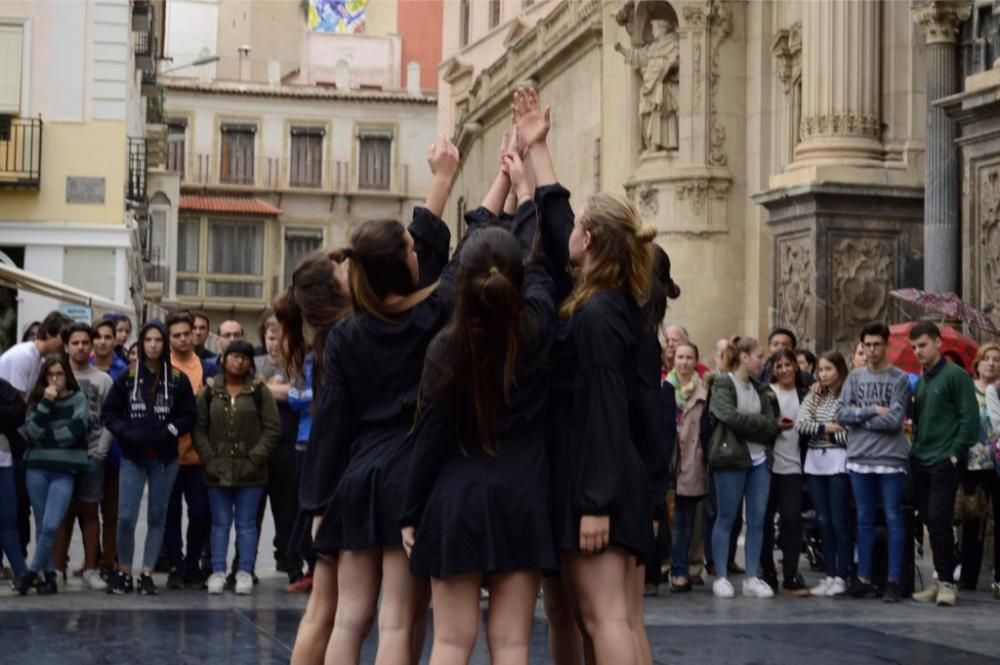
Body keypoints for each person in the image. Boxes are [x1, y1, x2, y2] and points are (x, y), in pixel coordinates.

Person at [309, 136, 459, 665]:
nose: (419, 252)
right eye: (412, 251)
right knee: (397, 623)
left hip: (357, 478)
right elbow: (461, 249)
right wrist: (450, 180)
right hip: (408, 474)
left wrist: (318, 502)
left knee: (348, 620)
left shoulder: (347, 334)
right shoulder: (435, 313)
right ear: (402, 265)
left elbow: (329, 423)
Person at [400, 157, 554, 665]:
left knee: (450, 642)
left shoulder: (446, 347)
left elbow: (429, 435)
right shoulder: (535, 328)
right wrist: (528, 189)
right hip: (524, 497)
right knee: (511, 643)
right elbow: (539, 266)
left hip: (457, 496)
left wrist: (410, 509)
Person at [274, 247, 353, 663]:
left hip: (328, 483)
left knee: (328, 608)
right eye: (342, 268)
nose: (350, 269)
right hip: (338, 483)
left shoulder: (327, 339)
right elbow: (330, 429)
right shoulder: (344, 338)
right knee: (339, 612)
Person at [102, 320, 196, 595]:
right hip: (132, 456)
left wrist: (171, 429)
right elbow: (110, 414)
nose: (153, 345)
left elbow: (189, 415)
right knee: (126, 517)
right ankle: (124, 571)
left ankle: (146, 573)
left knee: (157, 516)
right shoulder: (127, 379)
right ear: (141, 344)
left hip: (166, 458)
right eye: (148, 340)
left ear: (164, 344)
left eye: (158, 340)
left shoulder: (178, 380)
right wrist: (126, 433)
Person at [193, 340, 280, 595]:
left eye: (244, 357)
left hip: (251, 472)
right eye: (234, 356)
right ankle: (217, 570)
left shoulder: (259, 390)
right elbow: (199, 428)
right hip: (216, 470)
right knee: (219, 523)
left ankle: (244, 571)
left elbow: (272, 429)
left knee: (246, 524)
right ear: (223, 359)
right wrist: (209, 458)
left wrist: (255, 458)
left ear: (250, 362)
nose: (239, 361)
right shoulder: (210, 391)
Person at [836, 321, 910, 603]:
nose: (871, 350)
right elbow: (842, 414)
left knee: (893, 518)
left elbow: (894, 421)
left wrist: (860, 417)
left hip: (890, 458)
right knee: (864, 518)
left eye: (877, 344)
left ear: (886, 345)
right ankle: (863, 577)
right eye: (867, 345)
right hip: (859, 457)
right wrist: (871, 410)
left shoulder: (899, 378)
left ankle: (893, 580)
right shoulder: (854, 378)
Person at [907, 321, 978, 607]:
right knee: (930, 520)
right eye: (913, 347)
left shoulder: (956, 376)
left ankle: (948, 583)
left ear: (937, 342)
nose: (917, 352)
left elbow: (969, 417)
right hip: (922, 458)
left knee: (939, 518)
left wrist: (955, 452)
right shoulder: (922, 381)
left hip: (944, 459)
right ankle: (939, 580)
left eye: (922, 345)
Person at [707, 336, 780, 600]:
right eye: (760, 356)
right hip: (731, 458)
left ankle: (751, 576)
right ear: (745, 357)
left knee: (758, 519)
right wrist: (760, 422)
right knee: (726, 517)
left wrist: (758, 423)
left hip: (760, 459)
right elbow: (728, 416)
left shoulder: (761, 389)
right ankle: (722, 576)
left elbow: (773, 425)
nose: (763, 361)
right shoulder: (723, 384)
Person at [0, 311, 73, 562]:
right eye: (63, 340)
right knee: (13, 508)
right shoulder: (24, 357)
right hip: (10, 440)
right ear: (50, 333)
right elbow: (18, 404)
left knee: (19, 507)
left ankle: (18, 560)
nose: (65, 347)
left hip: (16, 440)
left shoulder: (38, 359)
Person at [16, 355, 90, 595]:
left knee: (50, 526)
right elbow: (32, 431)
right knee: (40, 524)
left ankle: (29, 574)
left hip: (64, 470)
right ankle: (48, 577)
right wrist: (47, 402)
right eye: (51, 375)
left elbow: (77, 430)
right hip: (36, 468)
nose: (56, 379)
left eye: (60, 374)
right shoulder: (38, 399)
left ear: (67, 374)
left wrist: (45, 438)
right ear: (44, 377)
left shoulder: (78, 398)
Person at [51, 323, 113, 591]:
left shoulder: (103, 379)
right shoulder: (55, 376)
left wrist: (100, 451)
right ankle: (56, 568)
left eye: (84, 343)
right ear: (66, 346)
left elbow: (111, 419)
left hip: (91, 456)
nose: (80, 347)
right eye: (74, 343)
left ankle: (91, 568)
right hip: (62, 457)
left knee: (90, 511)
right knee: (62, 513)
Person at [164, 311, 218, 590]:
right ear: (168, 338)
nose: (185, 338)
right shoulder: (161, 369)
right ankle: (175, 563)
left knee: (200, 512)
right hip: (168, 454)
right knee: (169, 513)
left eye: (188, 333)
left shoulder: (208, 369)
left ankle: (193, 563)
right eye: (178, 335)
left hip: (198, 456)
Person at [796, 350, 852, 597]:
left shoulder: (849, 395)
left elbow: (849, 433)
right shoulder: (814, 394)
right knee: (823, 520)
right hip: (815, 462)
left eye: (829, 369)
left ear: (840, 369)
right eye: (821, 370)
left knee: (839, 520)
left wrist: (825, 432)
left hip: (839, 461)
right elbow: (802, 424)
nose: (824, 374)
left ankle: (843, 574)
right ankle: (829, 574)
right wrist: (828, 427)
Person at [254, 314, 304, 586]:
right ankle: (245, 564)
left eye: (281, 338)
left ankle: (290, 561)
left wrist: (263, 390)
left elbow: (297, 394)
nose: (275, 344)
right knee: (254, 512)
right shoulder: (255, 363)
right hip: (258, 448)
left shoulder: (297, 363)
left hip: (288, 446)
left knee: (288, 510)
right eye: (271, 338)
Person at [760, 348, 809, 596]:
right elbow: (759, 426)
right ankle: (767, 572)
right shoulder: (767, 394)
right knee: (765, 520)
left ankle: (790, 573)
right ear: (773, 370)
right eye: (778, 366)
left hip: (794, 466)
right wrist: (773, 427)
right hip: (769, 466)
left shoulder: (805, 394)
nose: (784, 370)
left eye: (788, 365)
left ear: (796, 367)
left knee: (791, 519)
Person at [958, 342, 1000, 594]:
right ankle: (968, 575)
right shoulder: (968, 390)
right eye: (988, 358)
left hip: (995, 462)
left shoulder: (999, 391)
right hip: (972, 461)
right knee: (972, 519)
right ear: (978, 362)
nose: (992, 363)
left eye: (996, 359)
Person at [667, 341, 709, 593]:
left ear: (696, 361)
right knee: (667, 520)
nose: (683, 362)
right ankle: (669, 568)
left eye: (688, 357)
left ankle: (681, 571)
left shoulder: (704, 391)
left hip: (692, 461)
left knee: (685, 521)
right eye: (680, 357)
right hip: (670, 460)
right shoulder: (665, 388)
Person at [91, 318, 128, 579]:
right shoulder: (83, 367)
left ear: (116, 339)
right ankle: (91, 560)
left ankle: (108, 561)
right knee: (88, 509)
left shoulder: (125, 370)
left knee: (112, 511)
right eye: (99, 337)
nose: (103, 341)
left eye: (108, 337)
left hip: (117, 452)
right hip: (87, 452)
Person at [0, 377, 27, 588]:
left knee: (9, 520)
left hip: (4, 460)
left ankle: (21, 572)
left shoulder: (4, 387)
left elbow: (18, 414)